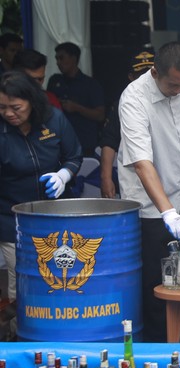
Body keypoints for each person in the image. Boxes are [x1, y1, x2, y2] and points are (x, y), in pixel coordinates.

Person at [118, 41, 180, 342]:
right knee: (156, 285)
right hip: (151, 208)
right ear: (155, 72)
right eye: (173, 85)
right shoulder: (134, 98)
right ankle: (159, 349)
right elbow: (141, 163)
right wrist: (168, 212)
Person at [0, 71, 82, 307]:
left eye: (16, 107)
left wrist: (63, 176)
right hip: (12, 219)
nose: (8, 113)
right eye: (2, 107)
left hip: (55, 215)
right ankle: (18, 324)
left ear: (32, 102)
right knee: (22, 278)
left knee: (61, 275)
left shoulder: (53, 118)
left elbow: (74, 156)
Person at [98, 50, 154, 199]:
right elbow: (109, 141)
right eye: (140, 75)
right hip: (135, 180)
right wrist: (106, 177)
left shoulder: (171, 97)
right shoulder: (123, 104)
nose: (146, 79)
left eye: (150, 73)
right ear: (131, 77)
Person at [47, 42, 105, 157]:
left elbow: (100, 115)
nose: (58, 62)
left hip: (84, 143)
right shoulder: (54, 80)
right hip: (58, 143)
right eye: (56, 59)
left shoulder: (90, 84)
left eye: (61, 58)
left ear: (73, 58)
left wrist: (77, 108)